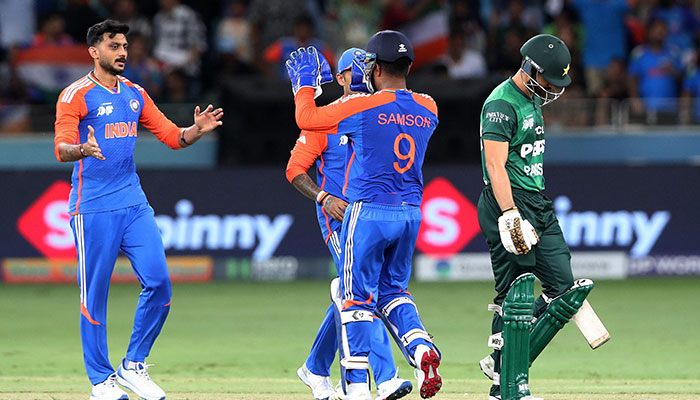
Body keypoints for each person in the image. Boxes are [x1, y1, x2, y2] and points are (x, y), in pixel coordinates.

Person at [53, 19, 223, 400]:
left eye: (125, 46)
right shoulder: (74, 95)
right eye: (114, 46)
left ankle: (133, 364)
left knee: (160, 283)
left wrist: (195, 130)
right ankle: (101, 380)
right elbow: (61, 149)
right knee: (94, 296)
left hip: (133, 203)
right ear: (94, 51)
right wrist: (82, 149)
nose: (123, 52)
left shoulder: (135, 93)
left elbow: (173, 137)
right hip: (92, 206)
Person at [286, 30, 442, 400]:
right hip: (409, 212)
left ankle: (358, 385)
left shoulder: (358, 108)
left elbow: (307, 117)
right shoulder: (429, 106)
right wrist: (324, 196)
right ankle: (419, 347)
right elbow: (296, 167)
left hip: (367, 213)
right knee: (393, 292)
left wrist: (304, 87)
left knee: (356, 298)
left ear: (375, 69)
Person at [476, 34, 593, 400]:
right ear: (529, 68)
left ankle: (500, 359)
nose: (553, 89)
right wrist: (510, 214)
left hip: (538, 202)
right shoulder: (501, 104)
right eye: (549, 80)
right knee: (516, 292)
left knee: (564, 290)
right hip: (507, 201)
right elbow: (495, 165)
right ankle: (507, 386)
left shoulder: (533, 98)